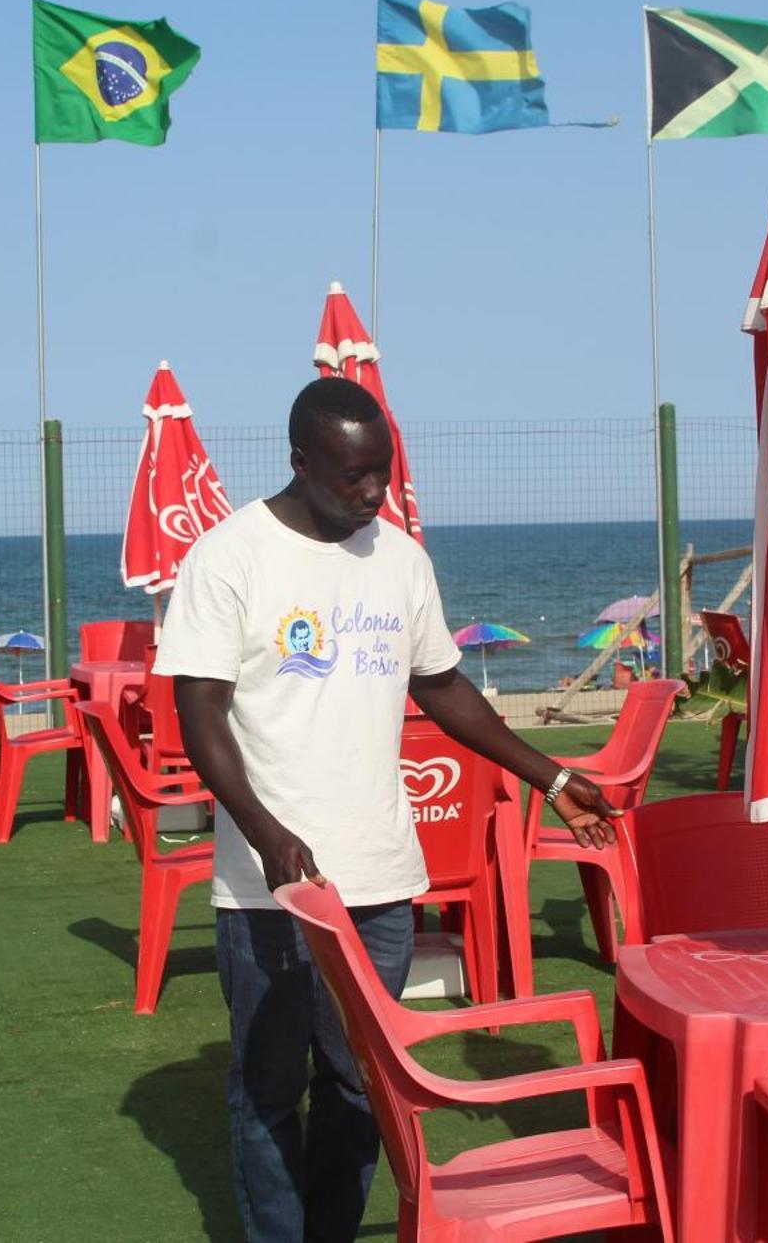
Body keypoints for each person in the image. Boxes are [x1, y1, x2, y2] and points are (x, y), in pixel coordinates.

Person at [156, 378, 619, 1243]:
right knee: (265, 1089)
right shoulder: (230, 556)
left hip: (380, 881)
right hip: (270, 887)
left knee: (360, 1079)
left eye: (383, 472)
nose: (372, 493)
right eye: (353, 477)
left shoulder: (401, 558)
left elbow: (444, 688)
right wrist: (265, 830)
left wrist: (551, 777)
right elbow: (199, 712)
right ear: (301, 463)